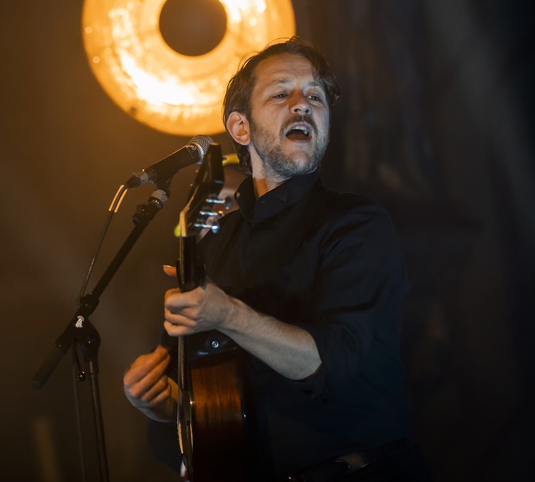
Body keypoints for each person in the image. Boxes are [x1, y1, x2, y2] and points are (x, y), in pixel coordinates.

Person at [123, 37, 432, 481]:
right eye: (281, 92)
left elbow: (332, 364)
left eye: (314, 96)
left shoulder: (356, 224)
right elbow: (204, 402)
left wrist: (228, 314)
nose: (302, 105)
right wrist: (159, 400)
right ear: (241, 128)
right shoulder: (213, 246)